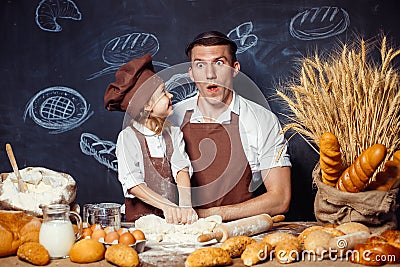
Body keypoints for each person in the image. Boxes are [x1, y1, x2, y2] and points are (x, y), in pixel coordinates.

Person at [170, 31, 292, 221]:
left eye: (219, 63)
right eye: (200, 65)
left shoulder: (262, 120)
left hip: (241, 233)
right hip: (180, 233)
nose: (210, 75)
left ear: (235, 69)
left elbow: (280, 198)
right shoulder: (171, 118)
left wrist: (208, 216)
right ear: (191, 74)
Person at [104, 54, 198, 224]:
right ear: (146, 106)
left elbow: (181, 169)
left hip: (169, 220)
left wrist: (185, 205)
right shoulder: (129, 138)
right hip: (137, 222)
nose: (170, 96)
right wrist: (167, 206)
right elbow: (133, 183)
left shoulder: (173, 132)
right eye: (163, 93)